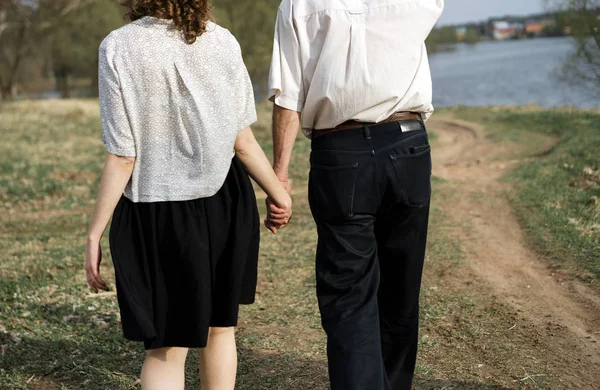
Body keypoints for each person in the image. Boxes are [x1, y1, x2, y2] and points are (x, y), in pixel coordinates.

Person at [84, 1, 291, 389]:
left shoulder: (117, 47)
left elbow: (123, 155)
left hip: (157, 211)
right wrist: (278, 193)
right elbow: (242, 141)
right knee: (220, 329)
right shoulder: (223, 41)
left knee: (167, 346)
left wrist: (95, 232)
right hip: (226, 202)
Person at [266, 0, 444, 389]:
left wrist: (279, 175)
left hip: (340, 154)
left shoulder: (298, 4)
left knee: (350, 298)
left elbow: (288, 96)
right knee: (401, 289)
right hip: (408, 146)